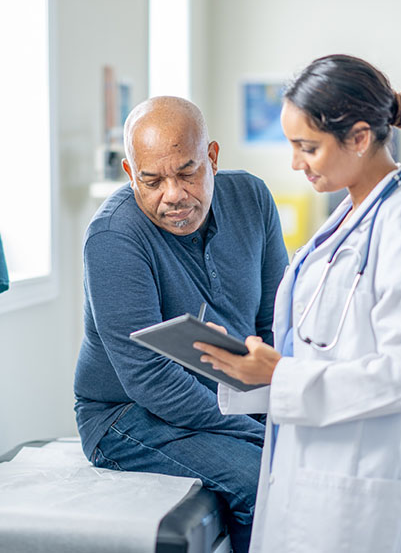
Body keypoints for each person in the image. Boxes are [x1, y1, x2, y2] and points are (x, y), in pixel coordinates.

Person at [194, 54, 401, 552]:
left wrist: (281, 376)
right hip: (313, 465)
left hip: (364, 477)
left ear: (359, 137)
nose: (295, 163)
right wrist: (255, 372)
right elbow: (322, 350)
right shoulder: (345, 219)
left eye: (307, 147)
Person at [73, 96, 288, 552]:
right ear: (132, 176)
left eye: (187, 172)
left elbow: (275, 323)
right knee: (262, 479)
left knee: (304, 463)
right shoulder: (114, 236)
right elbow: (148, 377)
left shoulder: (252, 198)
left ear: (211, 157)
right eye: (152, 181)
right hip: (127, 415)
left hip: (229, 398)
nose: (173, 195)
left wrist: (281, 409)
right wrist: (255, 428)